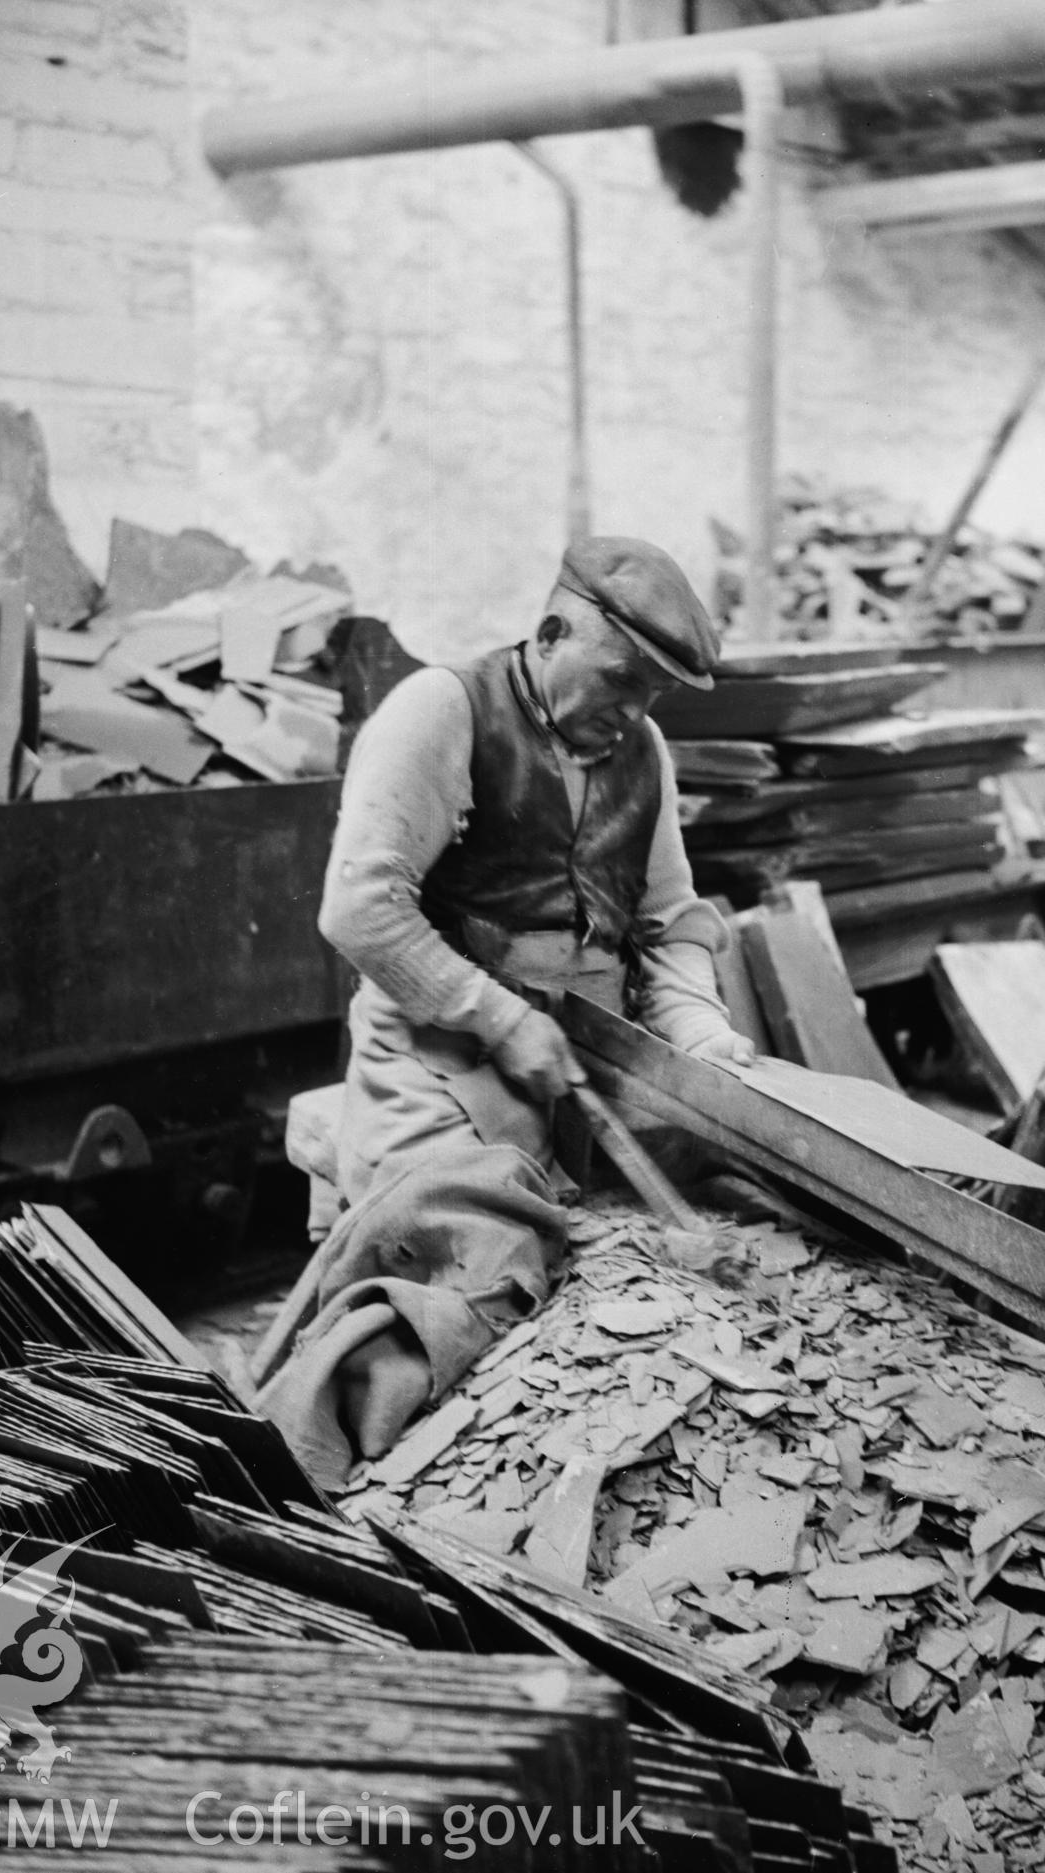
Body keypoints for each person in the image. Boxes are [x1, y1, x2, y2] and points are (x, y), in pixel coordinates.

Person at [255, 537, 754, 1488]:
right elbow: (359, 908)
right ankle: (309, 1474)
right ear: (552, 630)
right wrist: (493, 1012)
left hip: (583, 1074)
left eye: (656, 694)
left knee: (741, 1205)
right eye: (621, 680)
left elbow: (669, 920)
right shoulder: (443, 710)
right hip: (439, 1068)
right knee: (469, 1276)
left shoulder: (640, 747)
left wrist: (698, 1033)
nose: (635, 712)